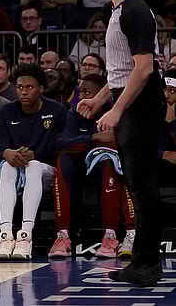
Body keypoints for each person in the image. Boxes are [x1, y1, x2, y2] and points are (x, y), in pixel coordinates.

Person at [78, 0, 166, 286]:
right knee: (137, 184)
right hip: (131, 105)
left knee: (142, 186)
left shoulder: (136, 10)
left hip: (141, 108)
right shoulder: (117, 10)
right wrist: (100, 99)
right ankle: (143, 261)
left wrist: (117, 109)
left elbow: (144, 68)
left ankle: (148, 264)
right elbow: (121, 71)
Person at [48, 73, 135, 259]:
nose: (82, 98)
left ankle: (111, 236)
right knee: (62, 161)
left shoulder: (115, 111)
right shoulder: (74, 112)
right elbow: (62, 144)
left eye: (88, 93)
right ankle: (62, 235)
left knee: (110, 160)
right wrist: (94, 138)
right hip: (80, 166)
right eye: (80, 93)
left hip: (108, 168)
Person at [0, 64, 67, 261]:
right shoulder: (5, 112)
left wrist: (36, 154)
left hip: (44, 169)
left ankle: (25, 235)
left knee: (33, 166)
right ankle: (5, 235)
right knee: (8, 166)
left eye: (29, 87)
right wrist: (7, 152)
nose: (23, 92)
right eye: (19, 87)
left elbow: (58, 147)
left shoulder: (57, 110)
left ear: (41, 89)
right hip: (13, 168)